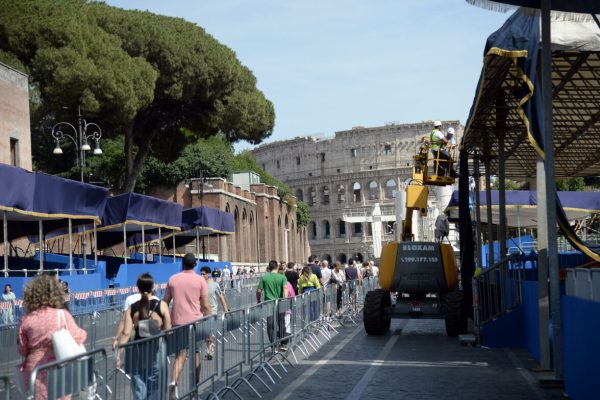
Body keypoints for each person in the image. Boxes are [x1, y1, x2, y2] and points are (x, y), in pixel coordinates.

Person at [17, 275, 86, 399]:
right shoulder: (61, 315)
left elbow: (22, 349)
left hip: (35, 370)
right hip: (59, 365)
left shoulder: (26, 320)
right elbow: (79, 337)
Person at [164, 253, 211, 400]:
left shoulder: (173, 279)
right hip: (195, 323)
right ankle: (194, 388)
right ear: (195, 265)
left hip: (177, 323)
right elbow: (205, 304)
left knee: (180, 354)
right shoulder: (200, 280)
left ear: (182, 264)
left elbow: (165, 302)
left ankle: (173, 382)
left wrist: (166, 323)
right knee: (196, 354)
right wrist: (209, 318)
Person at [119, 273, 171, 400]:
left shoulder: (132, 308)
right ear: (153, 287)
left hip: (137, 352)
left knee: (139, 386)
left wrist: (119, 354)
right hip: (156, 350)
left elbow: (126, 333)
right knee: (155, 388)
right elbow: (168, 330)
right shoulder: (162, 305)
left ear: (138, 288)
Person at [256, 260, 288, 351]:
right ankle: (283, 343)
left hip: (269, 303)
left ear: (269, 268)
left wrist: (258, 300)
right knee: (281, 322)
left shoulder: (264, 278)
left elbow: (259, 291)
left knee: (270, 324)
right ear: (277, 267)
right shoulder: (282, 277)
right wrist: (284, 299)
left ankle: (273, 345)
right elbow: (285, 289)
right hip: (280, 302)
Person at [200, 266, 229, 360]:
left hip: (212, 311)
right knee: (205, 332)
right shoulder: (199, 284)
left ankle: (210, 351)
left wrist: (226, 309)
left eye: (203, 274)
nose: (201, 275)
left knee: (209, 331)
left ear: (208, 274)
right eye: (200, 274)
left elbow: (221, 297)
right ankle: (209, 348)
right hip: (202, 312)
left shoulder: (214, 284)